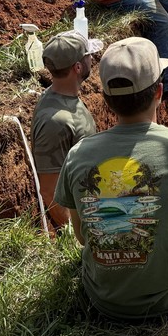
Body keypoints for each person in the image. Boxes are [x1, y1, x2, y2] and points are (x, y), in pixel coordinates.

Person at [55, 37, 168, 320]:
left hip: (104, 299)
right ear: (160, 92)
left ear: (106, 101)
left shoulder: (78, 155)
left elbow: (81, 236)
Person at [32, 30, 102, 229]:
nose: (92, 58)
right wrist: (78, 237)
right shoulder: (55, 122)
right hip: (83, 222)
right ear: (78, 67)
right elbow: (48, 191)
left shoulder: (63, 96)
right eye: (88, 55)